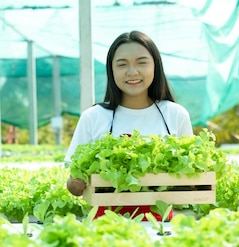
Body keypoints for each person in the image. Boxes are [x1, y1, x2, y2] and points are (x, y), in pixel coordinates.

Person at [64, 30, 193, 220]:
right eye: (122, 64)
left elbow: (191, 178)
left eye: (141, 62)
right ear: (112, 70)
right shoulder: (93, 117)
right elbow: (73, 182)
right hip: (105, 226)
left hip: (160, 225)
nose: (132, 72)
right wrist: (74, 184)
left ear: (155, 66)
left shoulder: (175, 114)